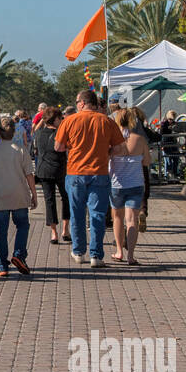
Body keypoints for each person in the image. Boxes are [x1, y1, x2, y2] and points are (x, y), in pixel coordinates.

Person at [54, 88, 126, 267]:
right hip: (99, 173)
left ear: (81, 103)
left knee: (77, 213)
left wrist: (72, 147)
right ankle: (96, 255)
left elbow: (58, 147)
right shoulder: (107, 122)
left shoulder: (69, 121)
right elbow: (120, 149)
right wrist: (106, 152)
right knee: (98, 215)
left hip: (75, 172)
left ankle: (78, 252)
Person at [0, 119, 37, 278]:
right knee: (22, 225)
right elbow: (29, 175)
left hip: (0, 196)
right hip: (19, 195)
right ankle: (19, 254)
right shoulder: (21, 150)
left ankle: (2, 266)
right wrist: (34, 195)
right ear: (14, 132)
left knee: (1, 231)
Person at [109, 107, 151, 265]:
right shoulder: (139, 140)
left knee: (117, 217)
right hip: (135, 183)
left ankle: (119, 251)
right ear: (133, 121)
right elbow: (146, 162)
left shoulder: (112, 140)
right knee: (132, 220)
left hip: (117, 184)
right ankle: (130, 255)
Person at [33, 106, 71, 244]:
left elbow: (35, 151)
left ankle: (54, 233)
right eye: (60, 118)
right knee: (66, 198)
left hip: (44, 170)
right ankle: (65, 230)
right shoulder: (62, 133)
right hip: (61, 169)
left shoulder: (38, 133)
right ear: (55, 119)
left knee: (49, 201)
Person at [159, 110, 181, 180]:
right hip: (166, 143)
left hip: (173, 143)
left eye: (172, 119)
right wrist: (169, 129)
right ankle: (167, 175)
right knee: (168, 160)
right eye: (170, 119)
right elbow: (162, 132)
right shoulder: (164, 124)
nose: (171, 121)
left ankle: (175, 174)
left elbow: (178, 131)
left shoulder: (175, 123)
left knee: (176, 159)